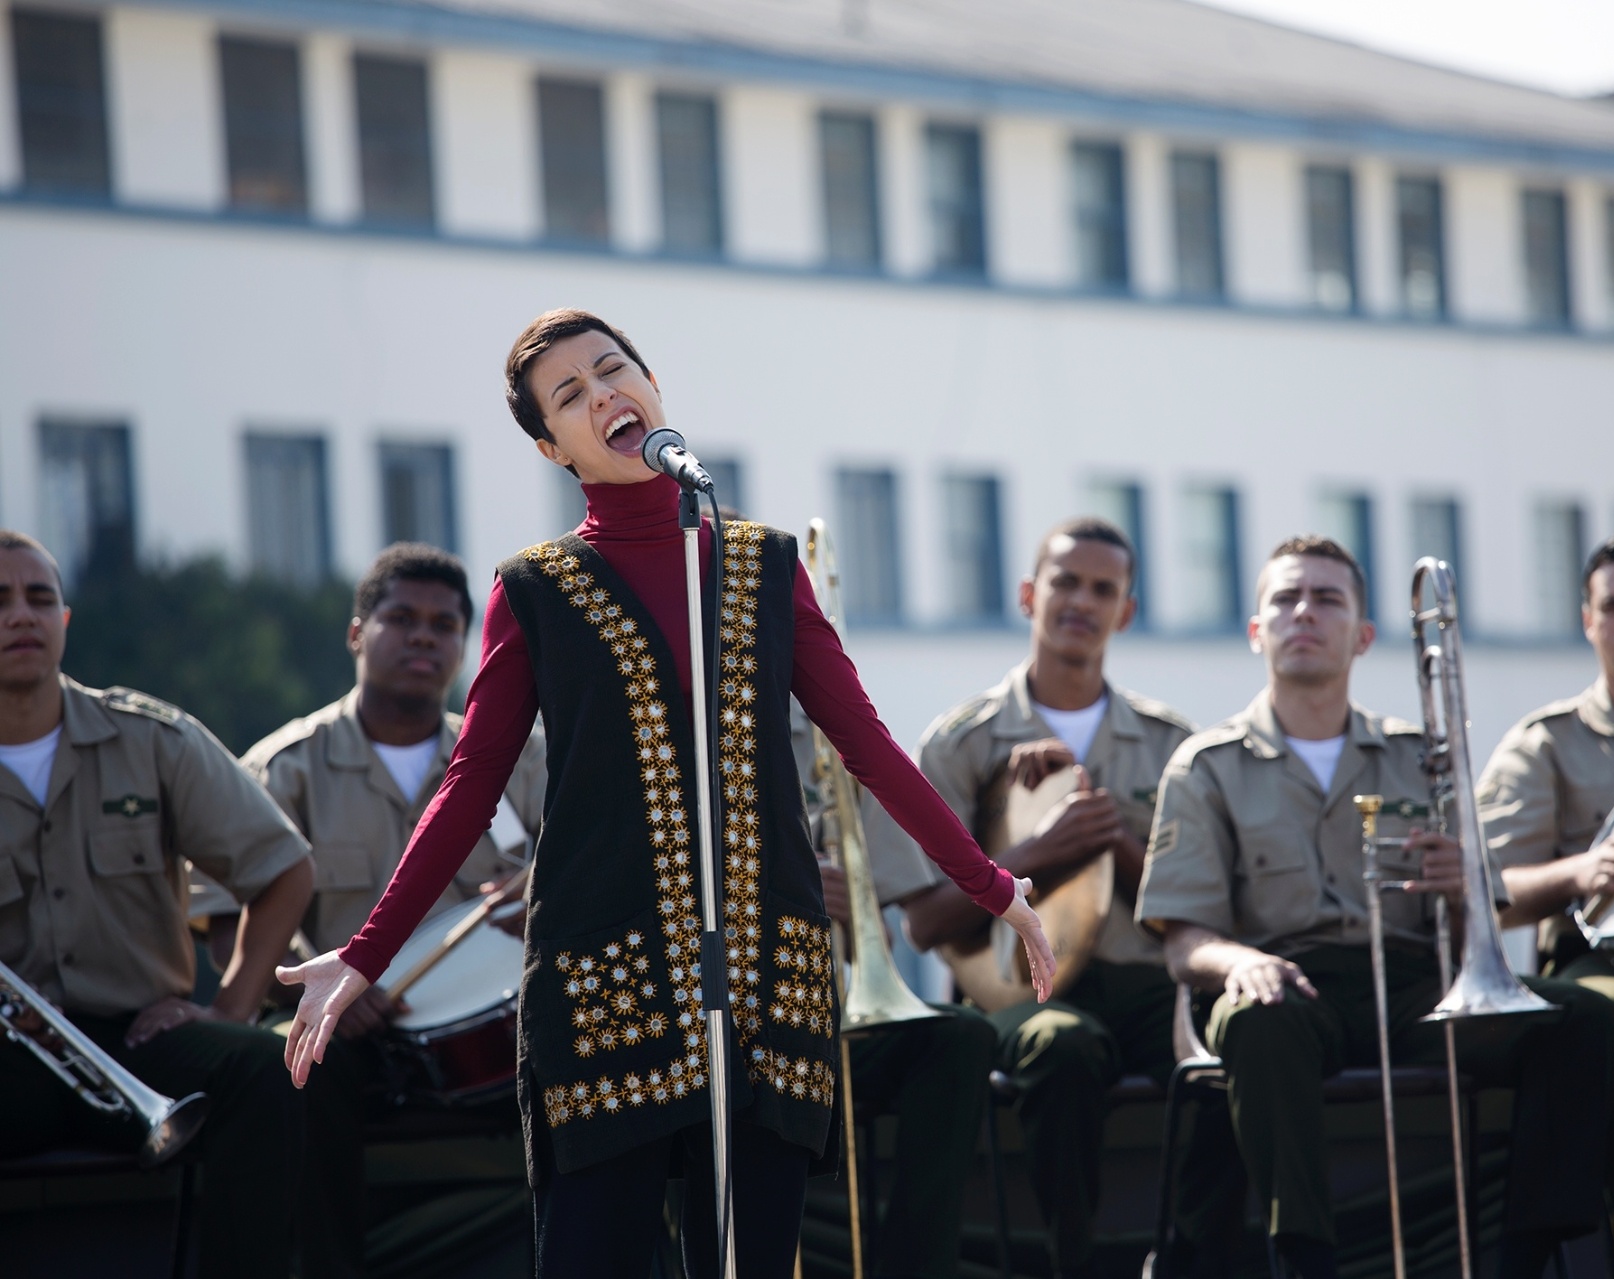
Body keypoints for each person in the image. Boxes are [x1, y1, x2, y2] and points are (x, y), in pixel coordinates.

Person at [276, 308, 1054, 1279]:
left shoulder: (765, 563)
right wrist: (362, 954)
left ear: (653, 385)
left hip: (766, 976)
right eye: (571, 395)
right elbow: (468, 785)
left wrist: (995, 890)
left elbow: (868, 745)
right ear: (551, 446)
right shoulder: (536, 588)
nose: (605, 394)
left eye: (613, 370)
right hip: (605, 986)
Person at [1137, 535, 1614, 1279]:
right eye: (1285, 599)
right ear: (1256, 629)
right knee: (1257, 1022)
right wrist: (1244, 962)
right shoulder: (1206, 767)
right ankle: (1303, 1257)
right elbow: (1182, 940)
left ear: (1362, 635)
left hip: (1413, 987)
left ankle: (1526, 1248)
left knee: (1583, 1016)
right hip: (1287, 986)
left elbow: (1476, 927)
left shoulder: (1420, 755)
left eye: (1327, 599)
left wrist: (1463, 883)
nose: (1305, 613)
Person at [873, 517, 1241, 1279]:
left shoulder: (1173, 741)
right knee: (1062, 1048)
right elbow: (924, 922)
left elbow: (1204, 903)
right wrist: (1037, 850)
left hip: (1142, 982)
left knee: (1229, 1046)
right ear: (1027, 594)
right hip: (1015, 989)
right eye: (1065, 581)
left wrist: (1107, 838)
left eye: (1103, 588)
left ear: (1127, 611)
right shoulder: (963, 742)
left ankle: (1188, 1258)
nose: (1081, 601)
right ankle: (1073, 1262)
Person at [0, 530, 360, 1279]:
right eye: (0, 601)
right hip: (15, 1058)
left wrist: (229, 1007)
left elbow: (284, 866)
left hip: (140, 1035)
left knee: (271, 1065)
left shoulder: (149, 738)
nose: (21, 615)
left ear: (66, 621)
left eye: (39, 598)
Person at [233, 543, 547, 1271]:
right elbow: (233, 925)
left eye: (444, 624)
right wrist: (324, 990)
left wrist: (545, 897)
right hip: (344, 1030)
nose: (423, 637)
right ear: (356, 633)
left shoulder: (521, 759)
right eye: (400, 617)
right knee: (298, 1071)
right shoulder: (286, 766)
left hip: (503, 1030)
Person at [1476, 528, 1614, 1274]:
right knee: (1604, 1014)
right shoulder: (1543, 744)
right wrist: (1582, 873)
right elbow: (1486, 896)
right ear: (1587, 620)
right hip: (1598, 960)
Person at [791, 704, 998, 1279]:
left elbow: (883, 938)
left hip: (823, 1023)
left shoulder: (833, 736)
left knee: (957, 1038)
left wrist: (849, 912)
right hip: (713, 1026)